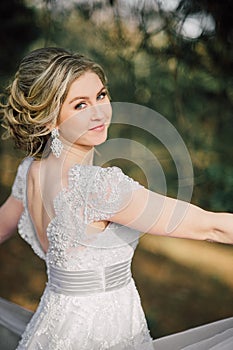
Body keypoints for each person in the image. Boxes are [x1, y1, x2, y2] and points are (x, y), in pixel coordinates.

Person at [0, 47, 232, 350]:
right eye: (80, 105)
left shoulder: (30, 170)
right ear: (47, 120)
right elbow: (210, 227)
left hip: (51, 326)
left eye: (101, 95)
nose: (99, 112)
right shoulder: (100, 189)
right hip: (103, 333)